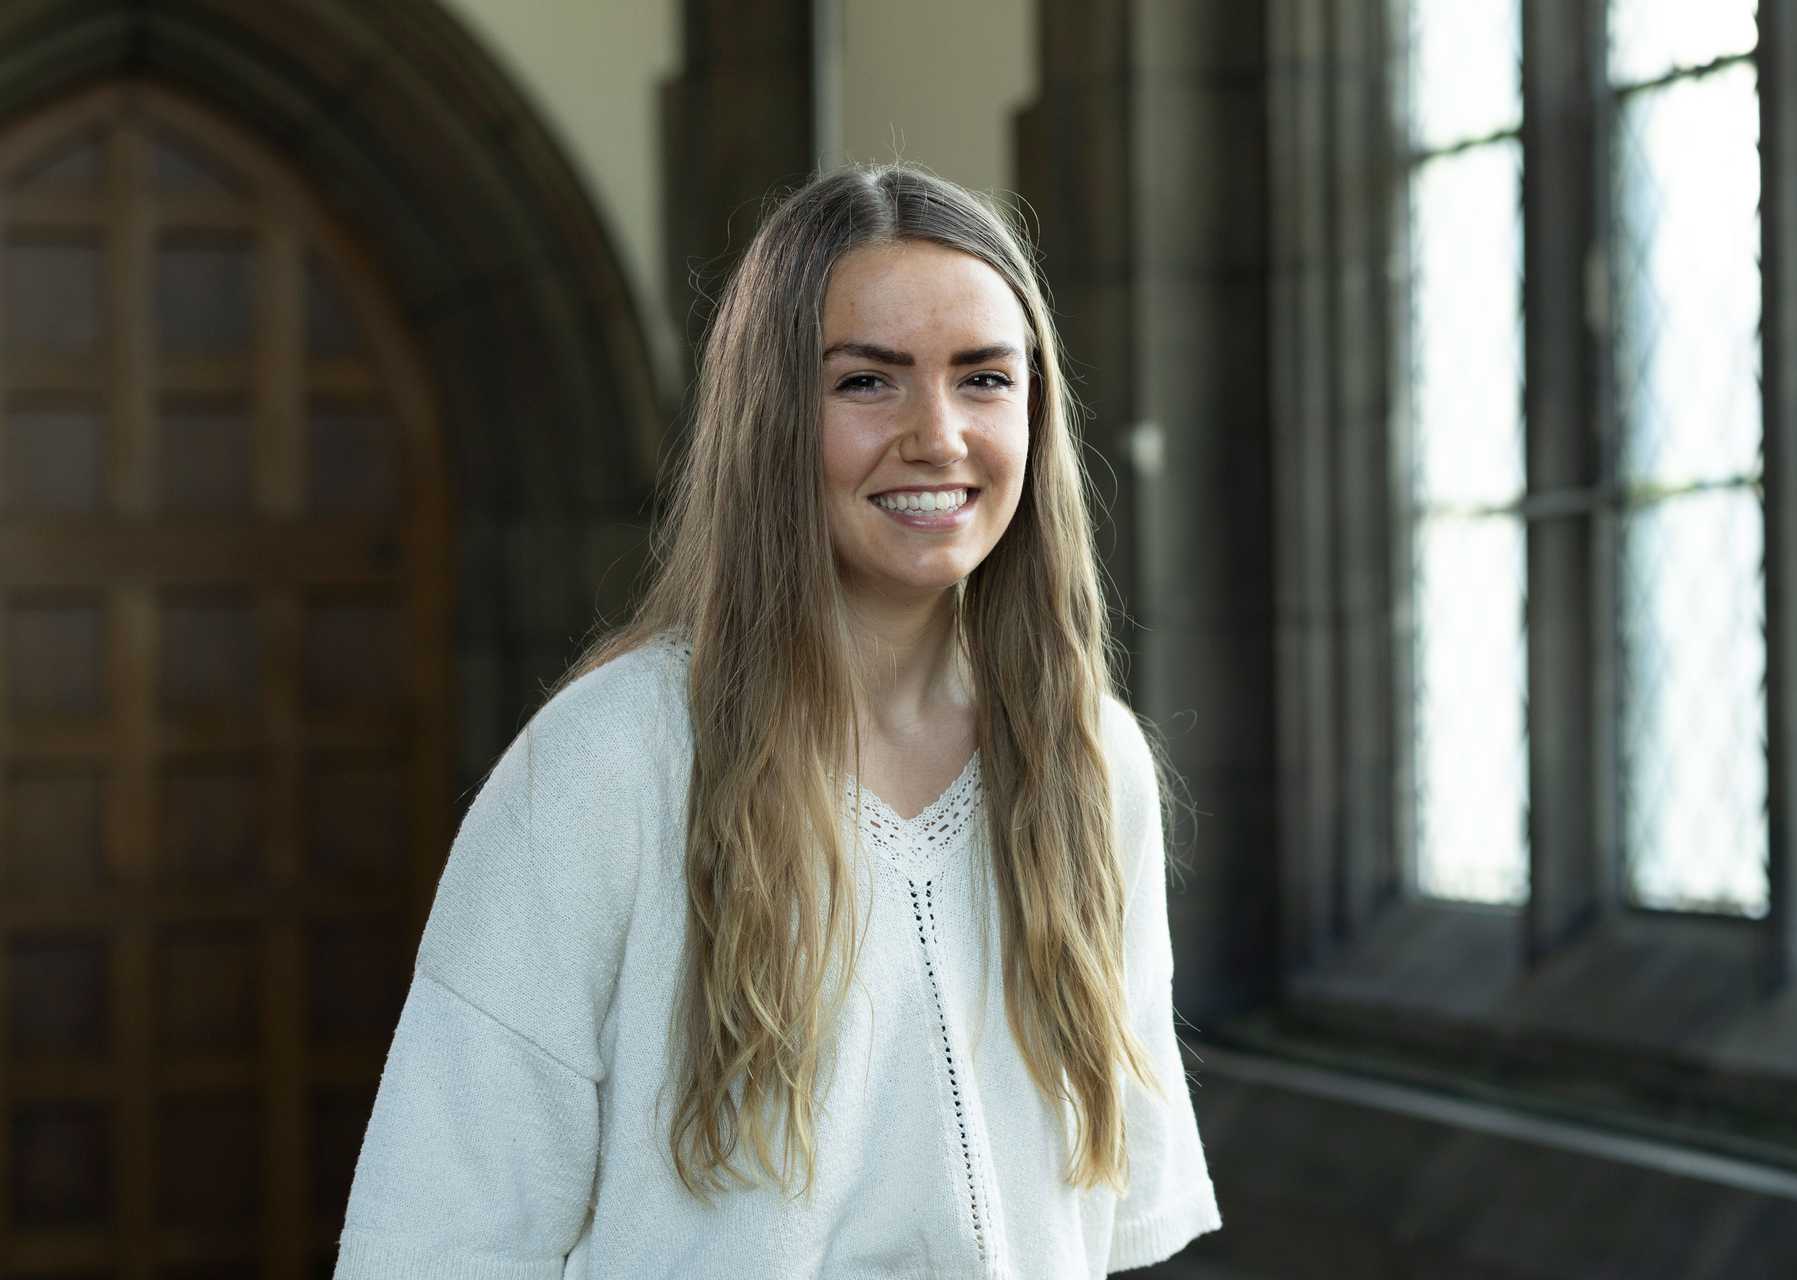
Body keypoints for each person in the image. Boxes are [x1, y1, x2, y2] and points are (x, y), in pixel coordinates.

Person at [333, 163, 1220, 1278]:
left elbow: (1105, 1213)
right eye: (867, 382)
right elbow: (438, 1240)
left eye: (984, 379)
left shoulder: (1093, 764)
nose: (937, 435)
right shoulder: (605, 765)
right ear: (769, 413)